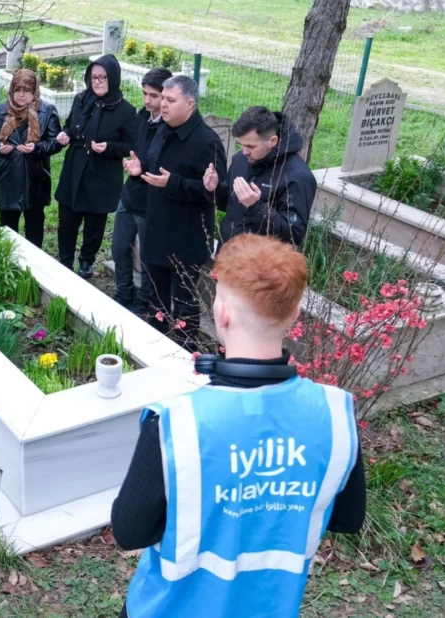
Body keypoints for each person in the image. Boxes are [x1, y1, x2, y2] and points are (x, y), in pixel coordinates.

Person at [111, 233, 365, 618]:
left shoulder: (175, 421)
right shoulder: (335, 412)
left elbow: (128, 531)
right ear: (294, 316)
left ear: (222, 313)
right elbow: (348, 518)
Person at [124, 75, 228, 350]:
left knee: (183, 301)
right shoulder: (163, 130)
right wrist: (139, 171)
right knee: (156, 296)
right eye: (164, 99)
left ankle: (184, 350)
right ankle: (156, 348)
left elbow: (217, 193)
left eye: (171, 100)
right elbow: (155, 170)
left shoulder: (207, 142)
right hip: (157, 229)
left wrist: (175, 184)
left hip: (186, 238)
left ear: (190, 104)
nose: (163, 105)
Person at [54, 55, 137, 278]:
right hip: (75, 167)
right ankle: (65, 261)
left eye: (103, 77)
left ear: (113, 78)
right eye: (93, 77)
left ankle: (86, 261)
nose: (97, 82)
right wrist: (65, 134)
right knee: (67, 220)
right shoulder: (80, 99)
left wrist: (109, 147)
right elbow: (71, 125)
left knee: (94, 223)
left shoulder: (127, 111)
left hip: (103, 172)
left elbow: (131, 145)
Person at [110, 67, 171, 314]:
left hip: (151, 198)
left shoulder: (169, 126)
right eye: (145, 93)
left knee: (148, 253)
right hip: (130, 193)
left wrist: (141, 166)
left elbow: (161, 163)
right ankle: (124, 291)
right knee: (119, 245)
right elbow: (135, 147)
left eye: (153, 95)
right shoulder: (142, 117)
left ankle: (145, 299)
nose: (147, 100)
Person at [0, 68, 63, 248]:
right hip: (8, 177)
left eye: (26, 90)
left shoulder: (47, 111)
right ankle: (9, 264)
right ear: (11, 90)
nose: (21, 95)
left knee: (35, 226)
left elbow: (56, 142)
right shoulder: (1, 111)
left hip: (35, 178)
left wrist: (36, 147)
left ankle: (34, 265)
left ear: (34, 91)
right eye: (17, 90)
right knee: (7, 229)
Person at [218, 106, 316, 247]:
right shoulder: (240, 159)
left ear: (272, 141)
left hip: (262, 262)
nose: (244, 152)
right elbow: (226, 204)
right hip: (228, 253)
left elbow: (294, 235)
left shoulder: (298, 176)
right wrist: (213, 188)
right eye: (242, 145)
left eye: (251, 146)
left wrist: (256, 207)